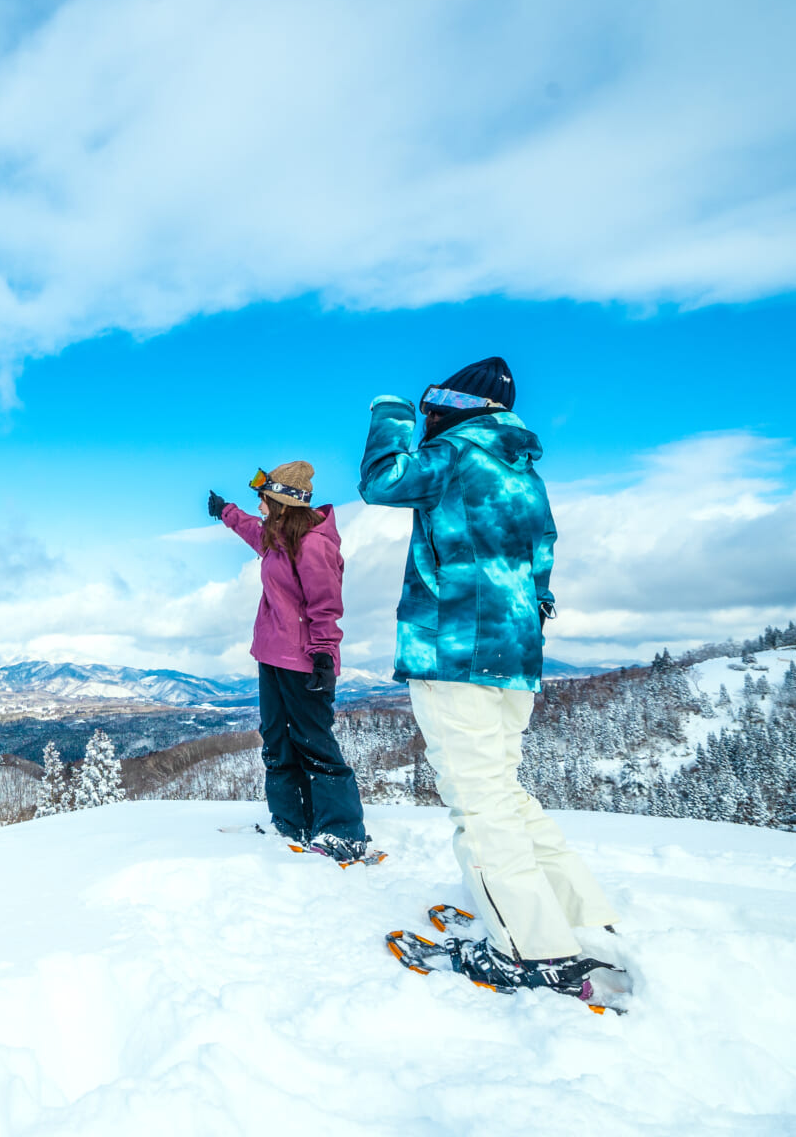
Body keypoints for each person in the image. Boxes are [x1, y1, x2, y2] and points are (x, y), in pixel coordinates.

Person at [360, 356, 631, 1008]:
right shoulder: (523, 473)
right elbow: (543, 566)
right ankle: (579, 917)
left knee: (479, 805)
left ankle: (528, 952)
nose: (429, 416)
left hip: (456, 652)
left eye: (433, 406)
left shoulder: (456, 454)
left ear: (454, 405)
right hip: (514, 656)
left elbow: (384, 480)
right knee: (503, 794)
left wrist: (388, 414)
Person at [207, 460, 372, 862]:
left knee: (314, 744)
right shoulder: (275, 536)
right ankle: (291, 820)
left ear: (282, 502)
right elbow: (251, 530)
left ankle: (341, 831)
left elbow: (325, 607)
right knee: (277, 741)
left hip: (303, 661)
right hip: (271, 655)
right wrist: (226, 512)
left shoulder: (314, 545)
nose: (259, 505)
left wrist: (324, 658)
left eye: (263, 498)